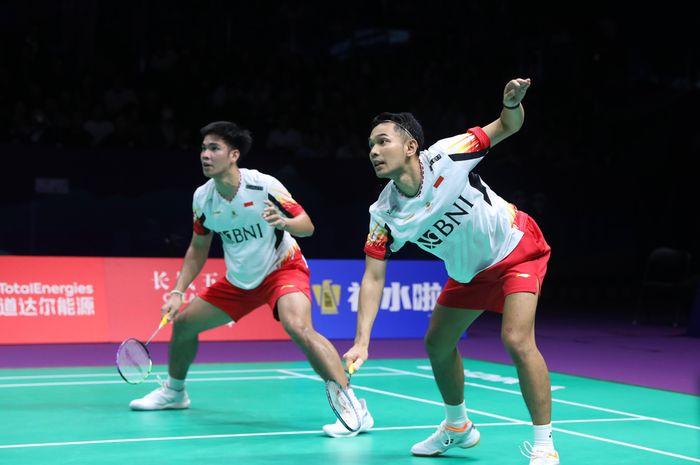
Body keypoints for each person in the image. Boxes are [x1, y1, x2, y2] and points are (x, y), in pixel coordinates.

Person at [343, 79, 560, 464]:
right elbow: (373, 276)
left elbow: (507, 126)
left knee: (516, 338)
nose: (374, 151)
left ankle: (544, 445)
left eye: (383, 141)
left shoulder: (448, 154)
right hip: (469, 273)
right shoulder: (385, 214)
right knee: (437, 343)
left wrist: (510, 104)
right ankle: (457, 426)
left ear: (411, 146)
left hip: (515, 248)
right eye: (371, 145)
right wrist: (362, 341)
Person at [129, 121, 373, 438]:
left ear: (233, 155)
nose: (205, 154)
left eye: (213, 148)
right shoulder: (203, 199)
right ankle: (175, 393)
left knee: (298, 326)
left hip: (282, 268)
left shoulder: (263, 186)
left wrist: (284, 221)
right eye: (203, 148)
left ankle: (353, 407)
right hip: (240, 280)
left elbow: (307, 225)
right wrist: (178, 291)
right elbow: (198, 248)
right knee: (185, 323)